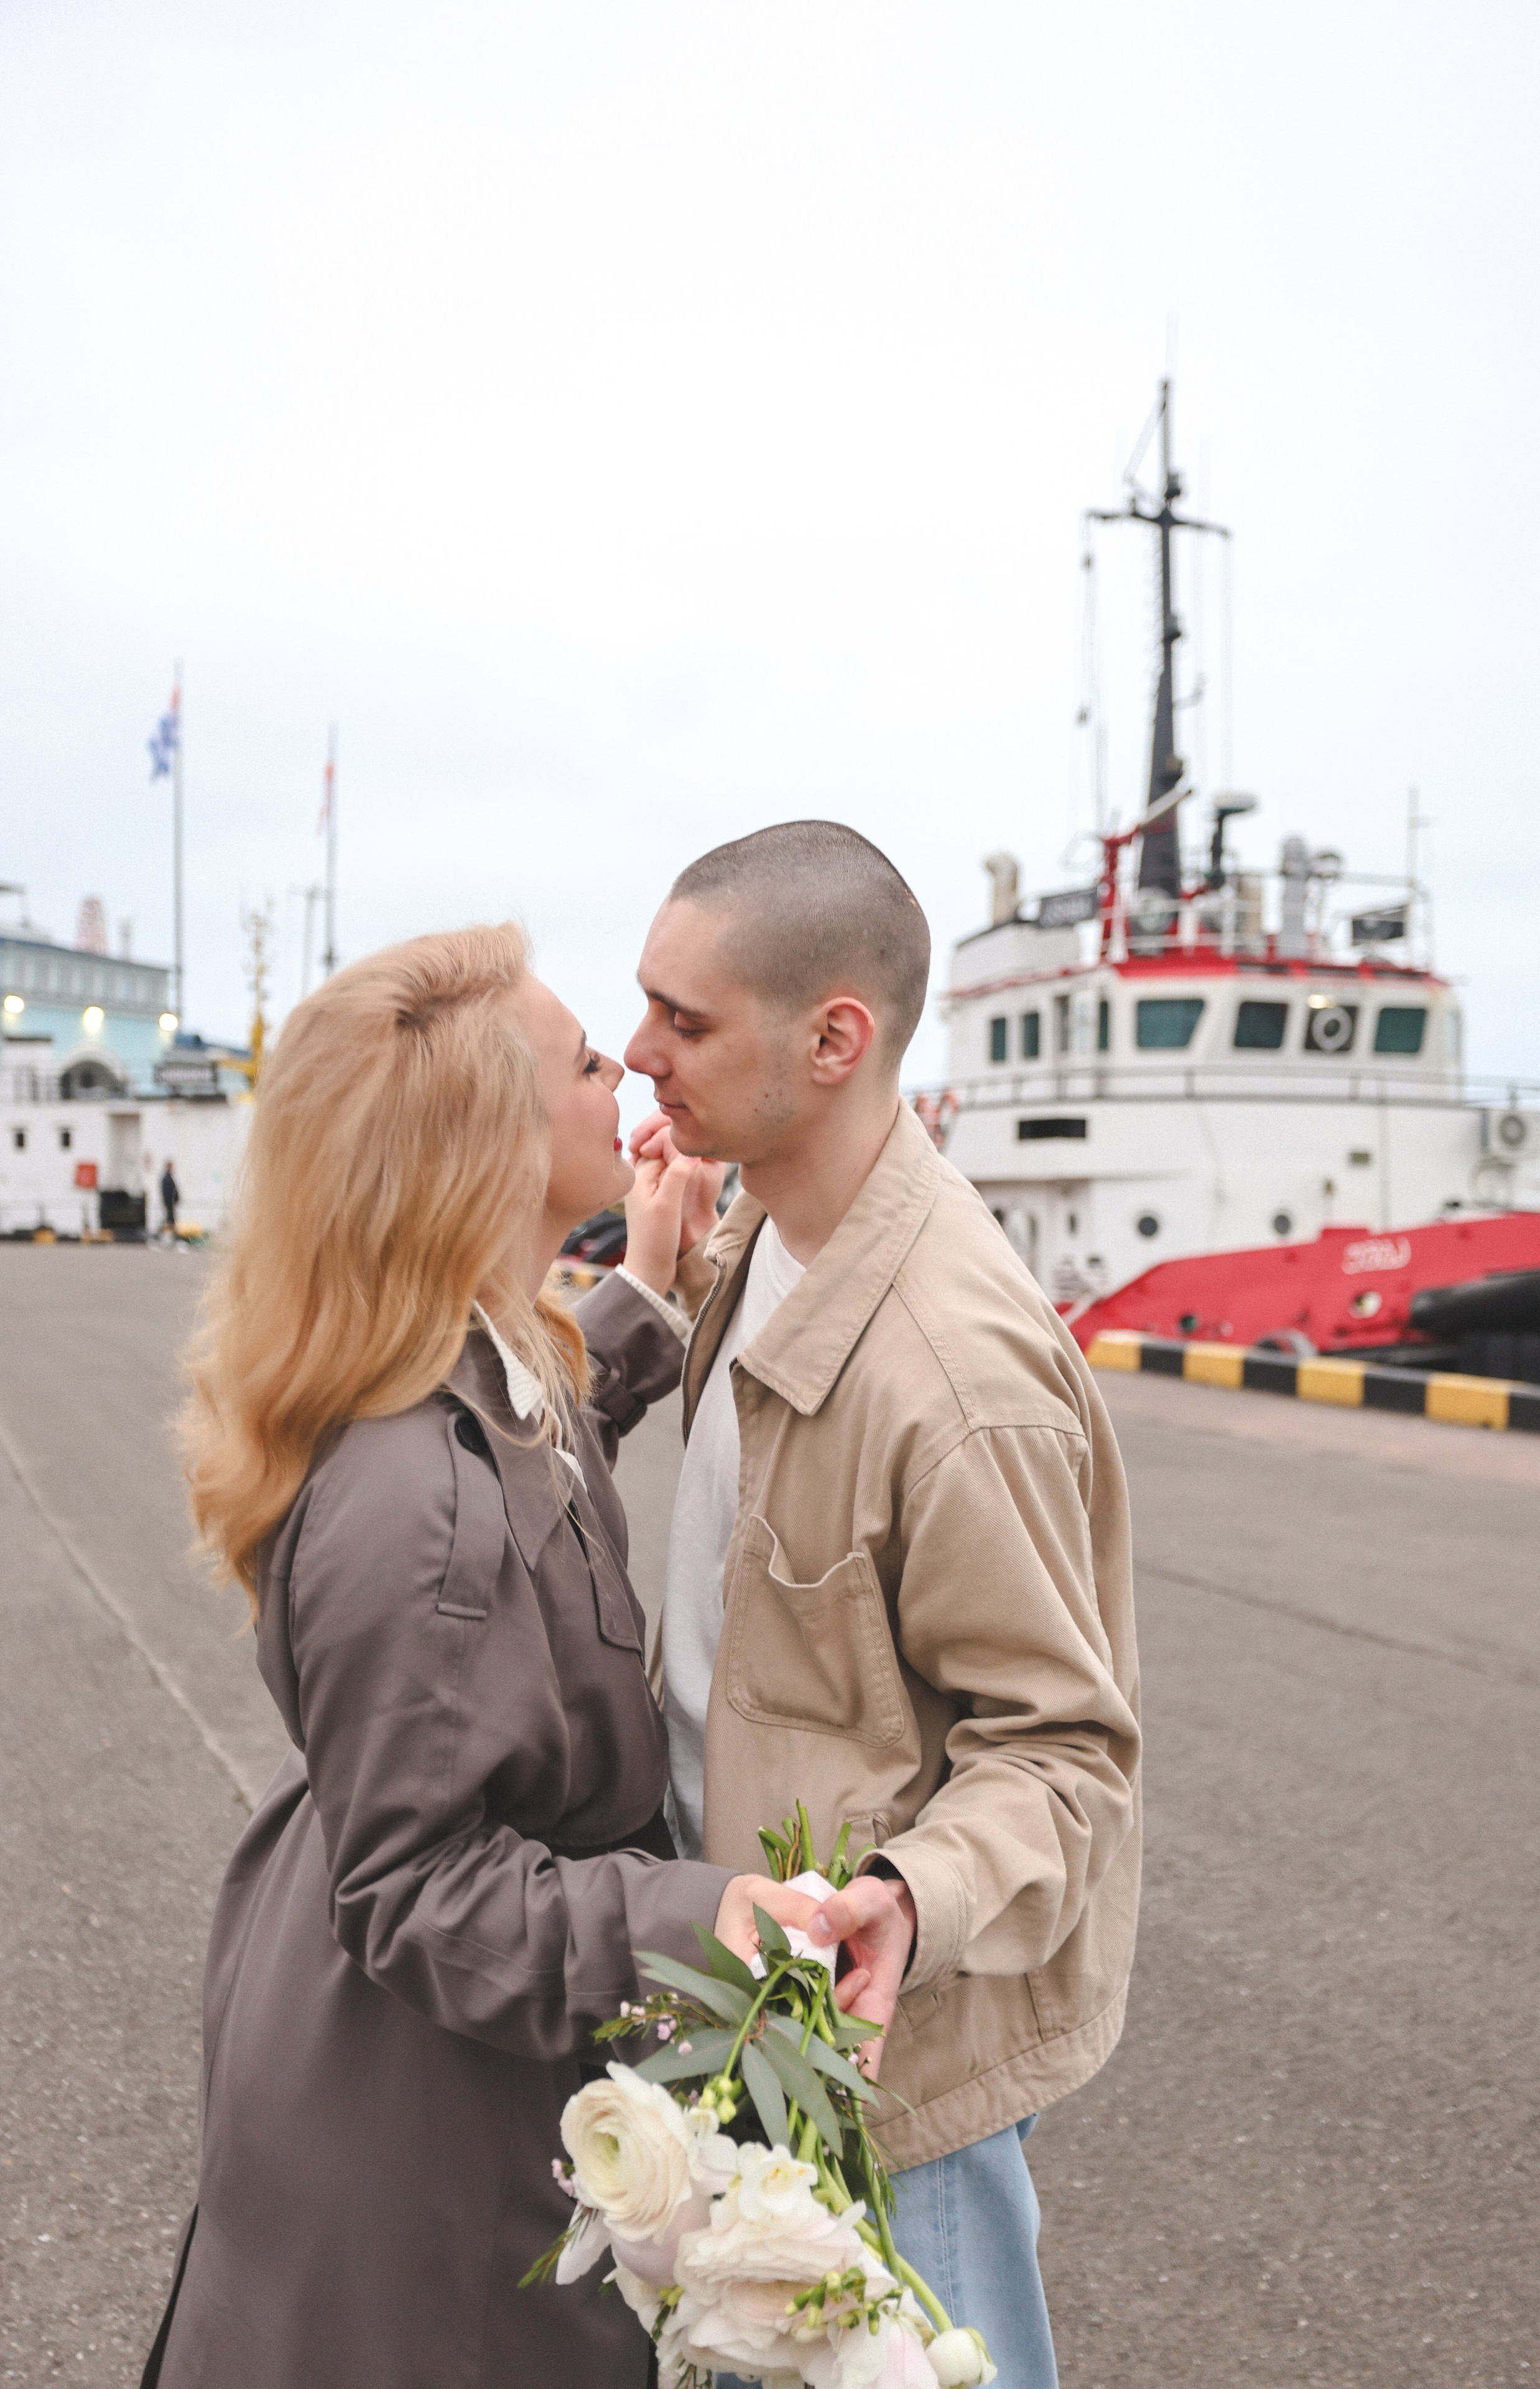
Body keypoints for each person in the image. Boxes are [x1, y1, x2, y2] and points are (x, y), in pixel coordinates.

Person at [144, 922, 912, 2389]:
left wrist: (637, 1294)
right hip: (430, 2100)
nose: (622, 1062)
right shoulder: (409, 1496)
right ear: (483, 1142)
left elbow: (528, 1465)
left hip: (399, 2046)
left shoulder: (451, 1366)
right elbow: (421, 1887)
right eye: (579, 1057)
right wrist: (712, 1915)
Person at [624, 822, 1143, 2389]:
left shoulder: (953, 1372)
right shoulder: (770, 1235)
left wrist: (904, 1898)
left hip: (885, 2059)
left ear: (833, 1039)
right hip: (754, 2007)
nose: (640, 1051)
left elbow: (1065, 1755)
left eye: (686, 1021)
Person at [159, 1158, 179, 1234]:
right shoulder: (167, 1178)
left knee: (170, 1218)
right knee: (170, 1218)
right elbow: (168, 1192)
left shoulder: (168, 1178)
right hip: (170, 1202)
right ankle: (171, 1234)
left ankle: (171, 1234)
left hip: (171, 1202)